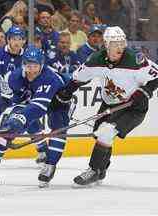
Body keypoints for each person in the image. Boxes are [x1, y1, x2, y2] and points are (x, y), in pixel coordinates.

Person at [60, 26, 158, 186]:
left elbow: (156, 76)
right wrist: (66, 92)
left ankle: (93, 170)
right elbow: (78, 77)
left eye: (122, 42)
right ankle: (101, 170)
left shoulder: (136, 60)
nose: (120, 47)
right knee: (99, 134)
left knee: (106, 132)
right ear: (106, 45)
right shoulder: (95, 59)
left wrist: (145, 90)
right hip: (109, 102)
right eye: (115, 43)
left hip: (133, 107)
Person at [0, 45, 72, 188]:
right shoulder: (13, 77)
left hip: (59, 101)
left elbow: (38, 109)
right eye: (28, 65)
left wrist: (20, 119)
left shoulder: (49, 78)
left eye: (35, 66)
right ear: (23, 64)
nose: (31, 70)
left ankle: (50, 165)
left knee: (58, 127)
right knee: (7, 129)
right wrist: (10, 121)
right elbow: (11, 102)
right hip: (32, 100)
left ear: (41, 65)